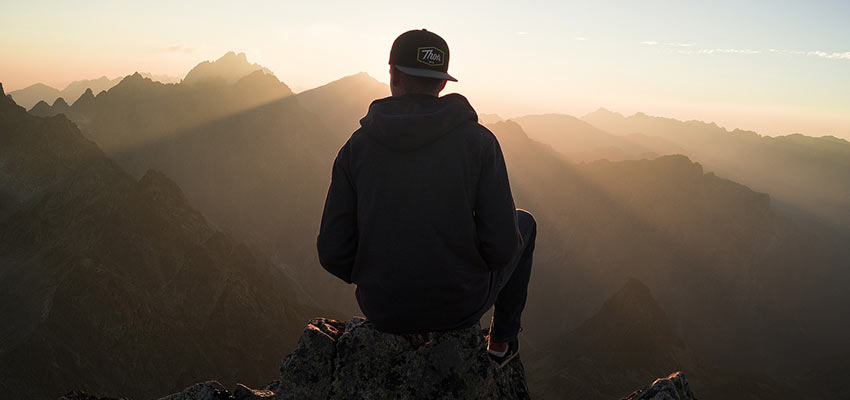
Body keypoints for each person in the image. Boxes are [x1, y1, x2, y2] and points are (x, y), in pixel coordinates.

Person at [317, 29, 536, 366]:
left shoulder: (355, 149)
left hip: (382, 308)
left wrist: (380, 276)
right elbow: (504, 247)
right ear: (443, 84)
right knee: (525, 222)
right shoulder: (479, 144)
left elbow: (333, 252)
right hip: (458, 308)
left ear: (392, 75)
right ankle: (500, 345)